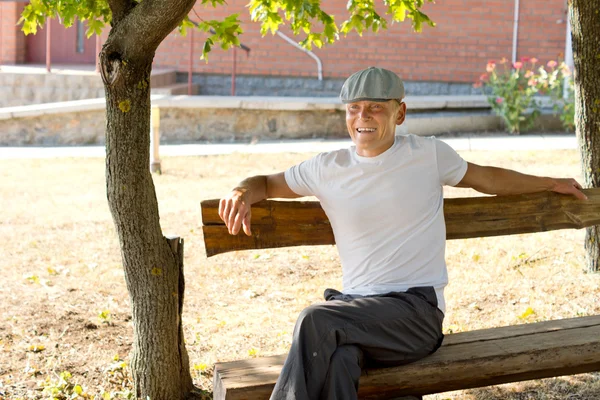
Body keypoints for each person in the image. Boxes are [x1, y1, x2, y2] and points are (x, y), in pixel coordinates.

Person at [218, 67, 587, 400]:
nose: (363, 116)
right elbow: (265, 182)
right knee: (340, 360)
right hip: (354, 316)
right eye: (354, 108)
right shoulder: (326, 168)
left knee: (316, 319)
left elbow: (488, 178)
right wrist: (241, 191)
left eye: (376, 107)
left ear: (400, 112)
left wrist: (551, 182)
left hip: (415, 315)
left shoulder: (427, 155)